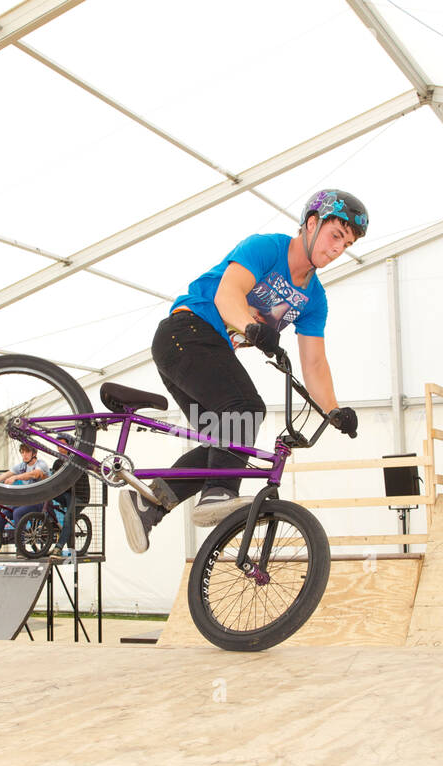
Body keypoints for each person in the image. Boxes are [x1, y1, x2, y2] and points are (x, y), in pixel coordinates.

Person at [119, 188, 365, 553]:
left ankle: (148, 504)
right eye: (335, 236)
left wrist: (333, 410)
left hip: (195, 352)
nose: (336, 249)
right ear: (311, 224)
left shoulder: (314, 299)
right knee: (247, 409)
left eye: (346, 244)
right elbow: (227, 294)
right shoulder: (267, 248)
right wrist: (249, 327)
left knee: (229, 441)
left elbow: (314, 362)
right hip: (186, 334)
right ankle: (217, 495)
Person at [0, 442, 50, 530]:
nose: (24, 455)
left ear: (34, 453)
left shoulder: (41, 464)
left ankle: (20, 542)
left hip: (41, 501)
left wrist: (15, 477)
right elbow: (0, 477)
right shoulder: (22, 466)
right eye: (22, 452)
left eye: (27, 452)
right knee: (4, 514)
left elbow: (35, 474)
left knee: (17, 513)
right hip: (27, 501)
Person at [51, 445, 91, 558]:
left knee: (68, 517)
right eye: (57, 445)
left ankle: (58, 547)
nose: (59, 448)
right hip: (67, 494)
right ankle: (50, 522)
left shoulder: (77, 461)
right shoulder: (57, 463)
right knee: (45, 497)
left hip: (80, 496)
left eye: (62, 444)